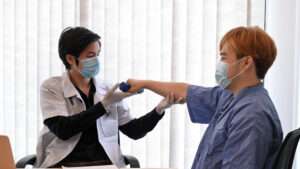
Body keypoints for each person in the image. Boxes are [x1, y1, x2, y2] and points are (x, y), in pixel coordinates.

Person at [126, 26, 283, 169]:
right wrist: (144, 84)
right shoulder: (231, 96)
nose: (219, 64)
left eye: (223, 57)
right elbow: (187, 91)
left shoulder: (251, 114)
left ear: (246, 62)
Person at [35, 27, 182, 168]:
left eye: (98, 54)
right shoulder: (51, 87)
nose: (96, 60)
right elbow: (63, 130)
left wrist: (158, 110)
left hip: (105, 164)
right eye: (90, 56)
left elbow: (134, 131)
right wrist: (104, 105)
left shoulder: (107, 89)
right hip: (63, 163)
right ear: (70, 59)